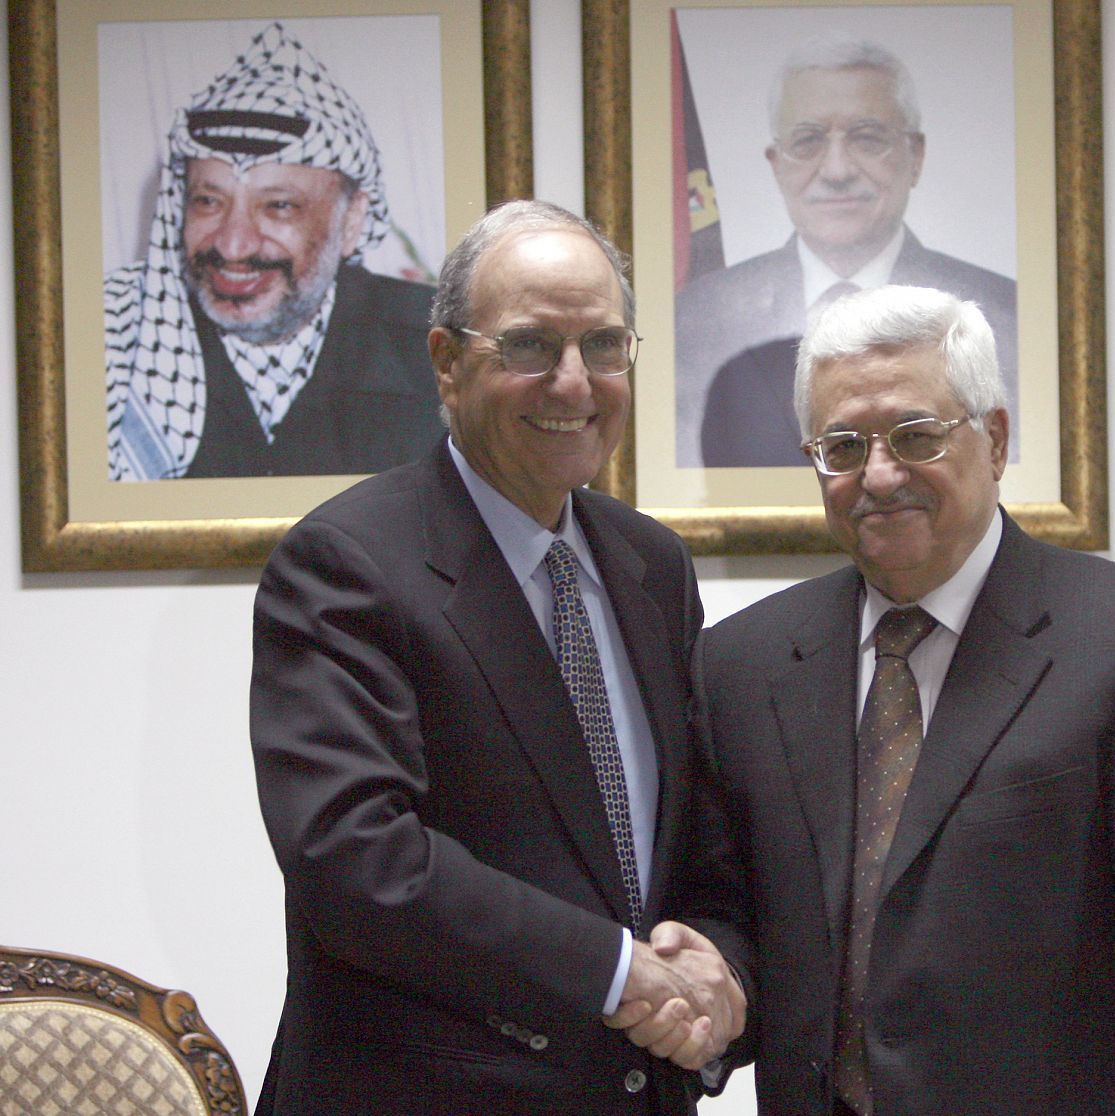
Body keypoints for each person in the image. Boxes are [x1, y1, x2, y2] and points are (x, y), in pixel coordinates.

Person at [627, 285, 1115, 1112]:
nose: (881, 474)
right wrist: (710, 981)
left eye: (916, 435)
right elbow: (738, 918)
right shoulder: (742, 665)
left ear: (995, 438)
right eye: (843, 446)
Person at [249, 200, 744, 1114]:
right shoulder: (345, 565)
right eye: (529, 346)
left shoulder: (653, 566)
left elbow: (697, 845)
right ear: (446, 361)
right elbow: (357, 862)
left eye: (603, 344)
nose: (573, 383)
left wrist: (718, 972)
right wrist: (616, 975)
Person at [105, 21, 441, 480]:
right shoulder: (120, 335)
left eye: (278, 206)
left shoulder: (436, 346)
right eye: (208, 201)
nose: (232, 243)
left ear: (352, 220)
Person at [673, 35, 1019, 469]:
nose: (836, 170)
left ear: (916, 156)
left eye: (867, 138)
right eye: (807, 141)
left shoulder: (1009, 318)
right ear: (776, 163)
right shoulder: (691, 321)